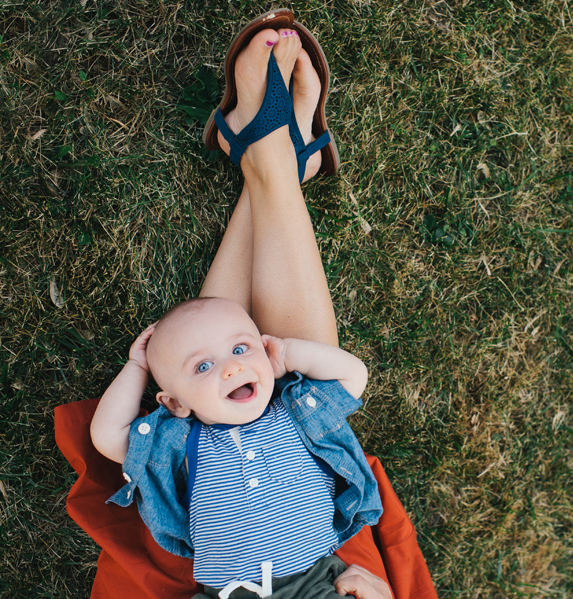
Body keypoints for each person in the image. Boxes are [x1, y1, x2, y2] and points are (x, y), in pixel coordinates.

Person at [88, 13, 394, 599]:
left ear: (169, 403)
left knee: (208, 328)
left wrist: (139, 364)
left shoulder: (177, 439)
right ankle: (275, 157)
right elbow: (349, 373)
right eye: (208, 369)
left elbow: (113, 436)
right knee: (314, 362)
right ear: (175, 400)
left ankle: (272, 155)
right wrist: (285, 357)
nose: (230, 367)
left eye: (236, 354)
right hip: (316, 582)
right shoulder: (286, 409)